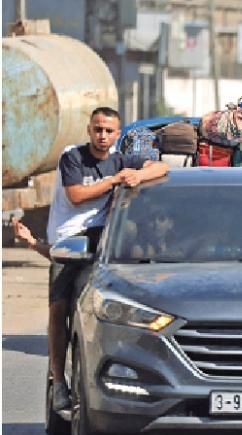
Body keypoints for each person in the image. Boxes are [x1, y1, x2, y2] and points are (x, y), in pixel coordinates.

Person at [46, 107, 169, 409]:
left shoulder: (120, 159)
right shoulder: (73, 157)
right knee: (58, 310)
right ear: (89, 130)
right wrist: (115, 181)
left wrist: (138, 174)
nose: (102, 135)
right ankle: (58, 383)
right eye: (98, 129)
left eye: (109, 131)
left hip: (104, 242)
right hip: (69, 240)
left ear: (117, 134)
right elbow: (76, 195)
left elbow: (162, 167)